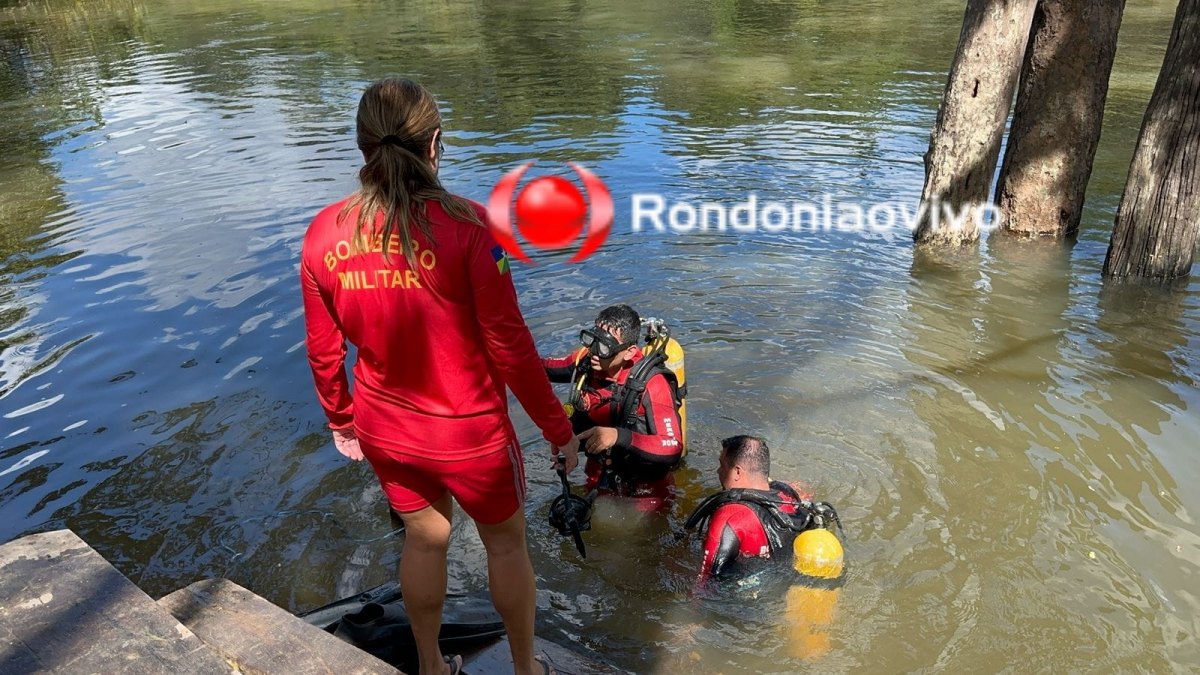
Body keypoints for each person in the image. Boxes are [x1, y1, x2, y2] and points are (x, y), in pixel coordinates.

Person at [300, 77, 577, 675]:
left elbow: (323, 352)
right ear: (435, 144)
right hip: (470, 435)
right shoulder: (472, 227)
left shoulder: (324, 234)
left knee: (425, 539)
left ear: (362, 146)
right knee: (506, 545)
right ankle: (526, 669)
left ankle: (430, 666)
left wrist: (342, 420)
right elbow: (510, 346)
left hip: (387, 431)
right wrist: (558, 429)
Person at [542, 304, 683, 511]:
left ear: (629, 352)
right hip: (598, 477)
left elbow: (672, 446)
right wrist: (566, 442)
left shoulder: (653, 384)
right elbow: (536, 368)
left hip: (645, 490)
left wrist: (619, 437)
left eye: (605, 347)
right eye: (593, 340)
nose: (595, 352)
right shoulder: (587, 361)